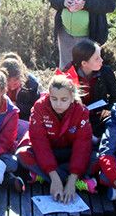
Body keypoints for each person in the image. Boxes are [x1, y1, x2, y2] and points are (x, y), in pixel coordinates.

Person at [16, 75, 95, 204]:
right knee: (22, 154)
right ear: (49, 95)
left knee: (95, 158)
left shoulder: (81, 111)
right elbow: (39, 143)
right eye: (54, 99)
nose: (58, 104)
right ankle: (78, 182)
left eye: (64, 99)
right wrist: (54, 177)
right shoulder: (39, 108)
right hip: (46, 151)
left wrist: (72, 178)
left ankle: (44, 177)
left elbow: (82, 146)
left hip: (68, 153)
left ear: (72, 98)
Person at [60, 38, 116, 137]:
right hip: (76, 119)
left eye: (100, 56)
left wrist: (109, 108)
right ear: (84, 63)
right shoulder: (68, 75)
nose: (101, 60)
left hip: (100, 116)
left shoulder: (106, 72)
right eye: (97, 58)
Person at [0, 52, 41, 123]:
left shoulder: (31, 85)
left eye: (15, 81)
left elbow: (36, 109)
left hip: (23, 120)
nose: (11, 86)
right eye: (8, 81)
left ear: (21, 76)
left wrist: (17, 105)